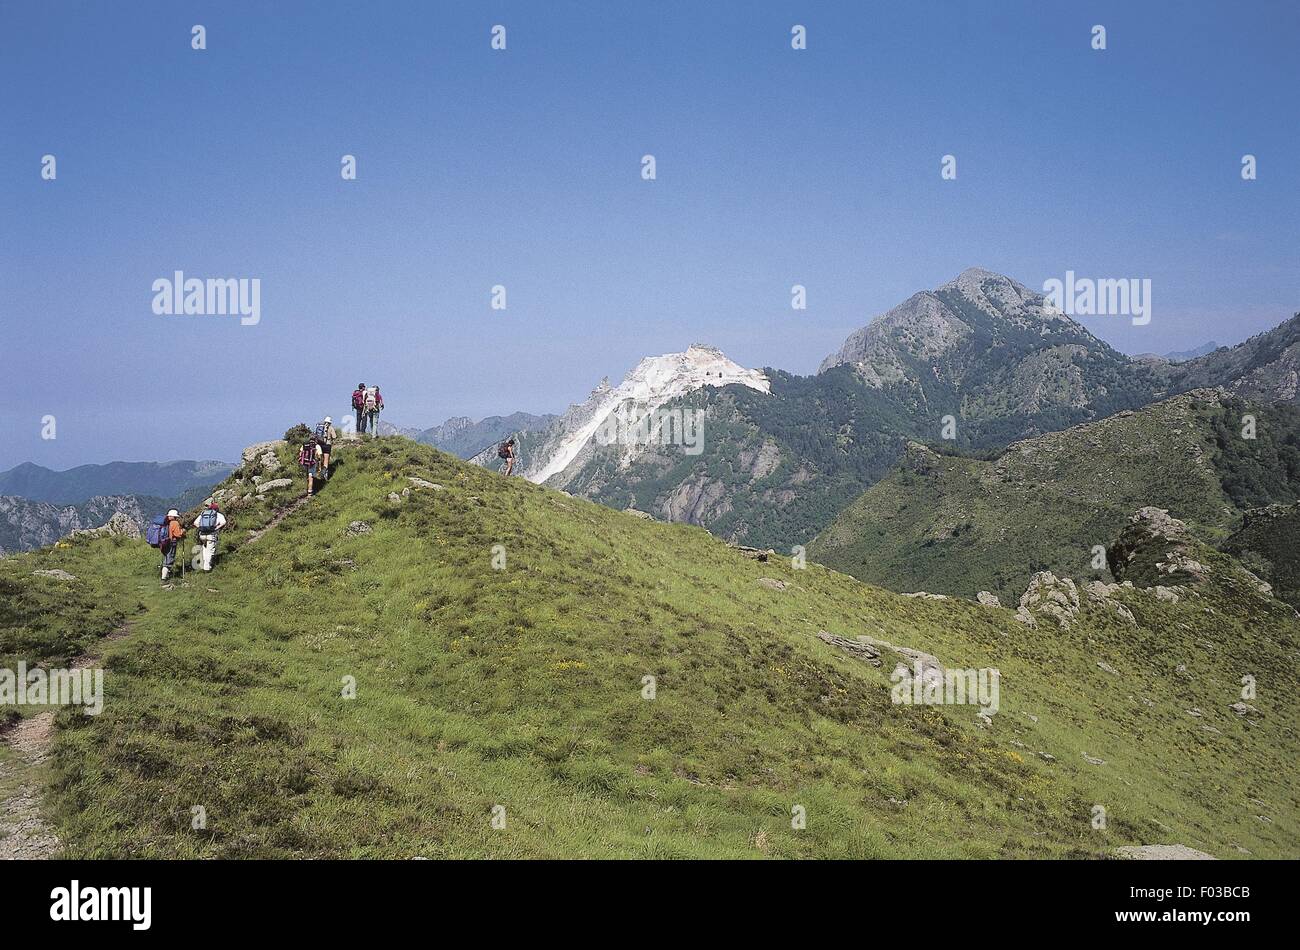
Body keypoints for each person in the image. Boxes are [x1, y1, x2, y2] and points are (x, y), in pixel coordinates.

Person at [191, 502, 227, 572]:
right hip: (211, 534)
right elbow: (224, 522)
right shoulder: (218, 514)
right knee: (210, 551)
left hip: (202, 535)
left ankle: (204, 564)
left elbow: (195, 523)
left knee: (205, 548)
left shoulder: (203, 513)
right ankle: (207, 568)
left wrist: (201, 528)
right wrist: (216, 528)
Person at [160, 508, 186, 581]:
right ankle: (164, 578)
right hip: (172, 542)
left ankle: (165, 575)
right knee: (169, 559)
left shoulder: (167, 523)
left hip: (165, 542)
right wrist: (182, 532)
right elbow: (177, 534)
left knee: (166, 558)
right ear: (174, 516)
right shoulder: (175, 523)